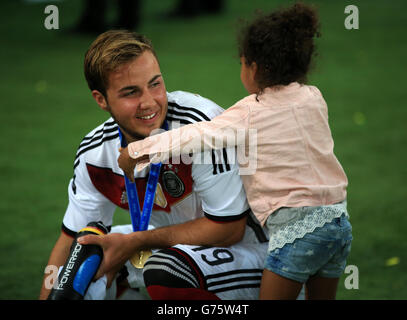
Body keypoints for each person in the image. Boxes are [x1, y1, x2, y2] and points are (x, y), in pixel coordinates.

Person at [118, 3, 353, 300]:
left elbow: (196, 135)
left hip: (297, 230)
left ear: (253, 67)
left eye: (242, 62)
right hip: (338, 223)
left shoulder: (249, 113)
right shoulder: (313, 97)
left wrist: (137, 151)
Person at [39, 29, 269, 300]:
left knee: (167, 269)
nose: (149, 103)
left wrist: (134, 242)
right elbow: (69, 242)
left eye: (155, 84)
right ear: (101, 99)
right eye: (130, 92)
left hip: (254, 251)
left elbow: (229, 229)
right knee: (84, 260)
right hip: (177, 247)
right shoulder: (94, 154)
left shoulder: (201, 125)